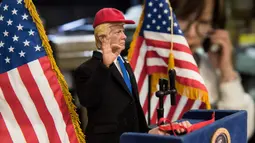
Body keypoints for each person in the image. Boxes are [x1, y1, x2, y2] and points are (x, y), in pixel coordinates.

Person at [74, 8, 190, 143]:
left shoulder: (124, 63)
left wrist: (146, 132)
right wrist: (104, 66)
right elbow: (88, 100)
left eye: (123, 30)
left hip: (131, 138)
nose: (124, 36)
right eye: (118, 31)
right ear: (102, 37)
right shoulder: (86, 69)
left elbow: (132, 105)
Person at [170, 0, 255, 139]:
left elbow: (242, 130)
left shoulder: (208, 66)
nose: (192, 33)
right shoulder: (144, 67)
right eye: (183, 18)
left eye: (203, 22)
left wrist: (226, 72)